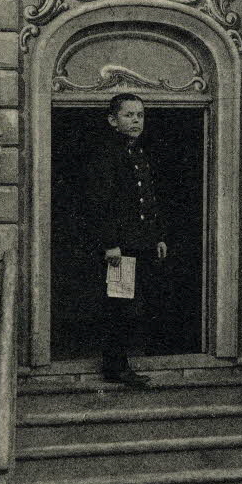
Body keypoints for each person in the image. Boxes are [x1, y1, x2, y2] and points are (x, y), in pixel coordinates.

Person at [88, 93, 168, 387]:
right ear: (112, 120)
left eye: (140, 115)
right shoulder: (107, 155)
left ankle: (122, 363)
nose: (136, 121)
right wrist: (110, 243)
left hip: (140, 243)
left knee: (131, 305)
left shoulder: (138, 153)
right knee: (118, 308)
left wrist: (157, 236)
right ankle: (116, 368)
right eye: (128, 115)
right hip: (120, 249)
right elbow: (100, 203)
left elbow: (148, 201)